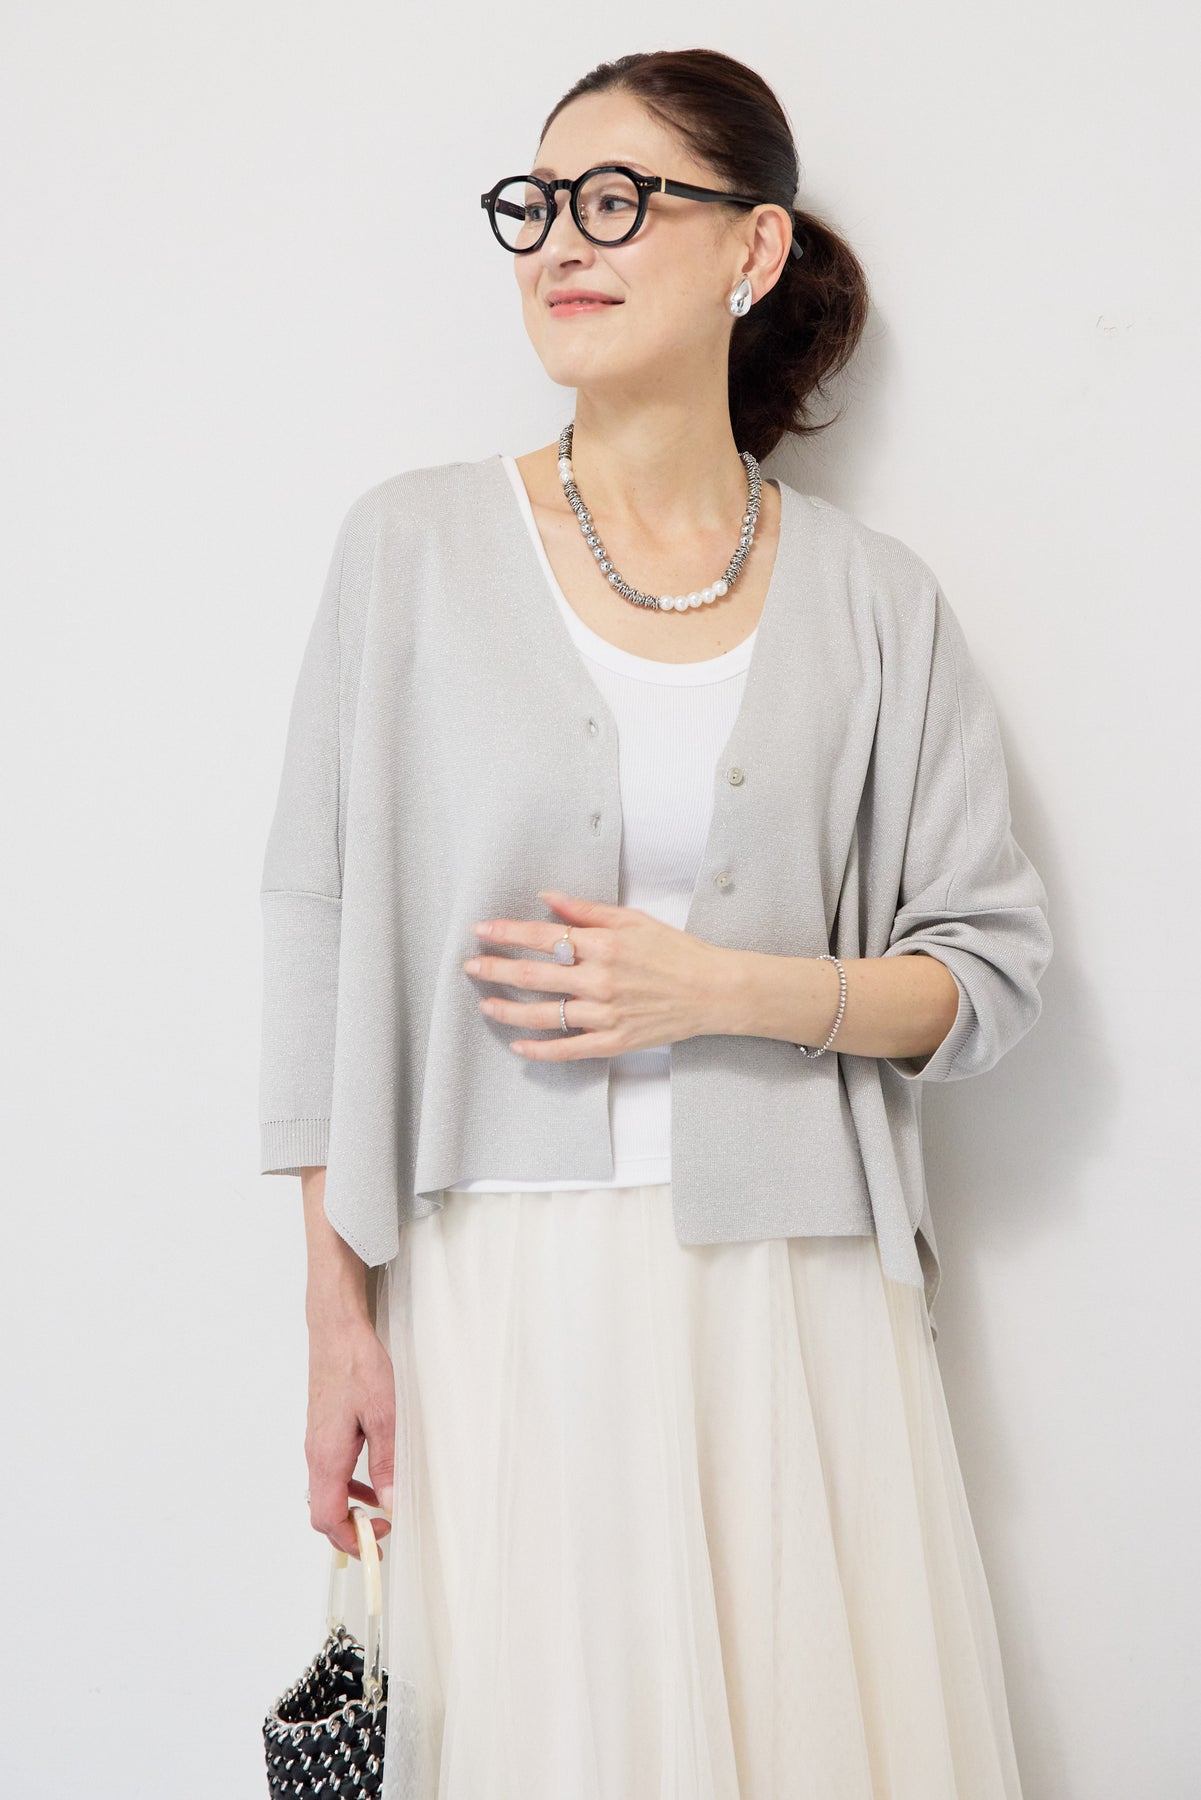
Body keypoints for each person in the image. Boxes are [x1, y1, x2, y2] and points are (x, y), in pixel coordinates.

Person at [260, 47, 1050, 1800]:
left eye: (618, 200)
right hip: (502, 1287)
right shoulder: (407, 551)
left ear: (750, 249)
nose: (562, 240)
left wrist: (716, 989)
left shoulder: (876, 601)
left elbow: (985, 974)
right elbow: (315, 933)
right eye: (537, 203)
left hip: (797, 1297)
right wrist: (334, 1321)